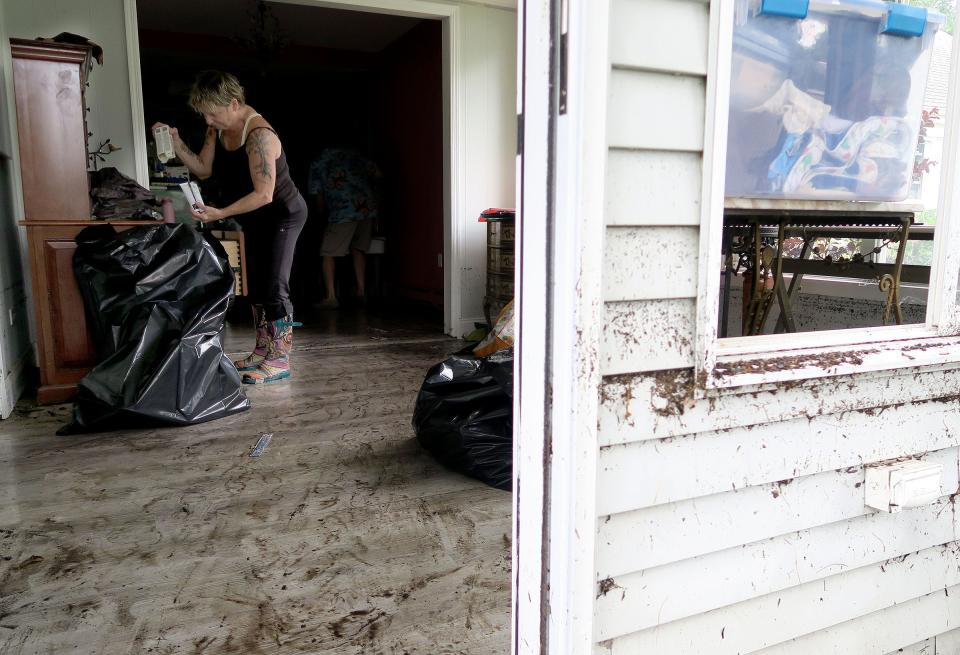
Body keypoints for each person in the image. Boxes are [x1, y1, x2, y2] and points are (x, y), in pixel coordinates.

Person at [152, 70, 308, 384]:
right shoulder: (218, 130)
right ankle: (262, 352)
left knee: (275, 286)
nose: (208, 121)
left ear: (234, 104)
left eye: (213, 113)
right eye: (204, 114)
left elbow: (264, 194)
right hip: (256, 216)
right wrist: (176, 142)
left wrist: (220, 212)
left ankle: (279, 359)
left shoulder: (260, 136)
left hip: (282, 214)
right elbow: (204, 170)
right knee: (257, 288)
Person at [307, 147, 382, 308]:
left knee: (327, 252)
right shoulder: (354, 154)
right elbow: (378, 174)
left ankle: (331, 297)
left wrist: (321, 217)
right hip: (366, 209)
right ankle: (361, 292)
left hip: (343, 211)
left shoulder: (318, 163)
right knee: (358, 249)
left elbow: (317, 195)